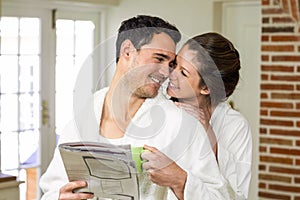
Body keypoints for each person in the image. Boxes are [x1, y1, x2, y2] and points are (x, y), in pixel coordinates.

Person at [39, 16, 230, 200]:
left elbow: (219, 197)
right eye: (159, 58)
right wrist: (59, 196)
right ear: (128, 51)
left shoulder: (182, 125)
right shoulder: (83, 118)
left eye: (170, 64)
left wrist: (180, 180)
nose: (167, 72)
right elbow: (53, 187)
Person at [142, 32, 252, 199]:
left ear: (206, 88)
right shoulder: (157, 101)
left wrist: (208, 134)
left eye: (184, 73)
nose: (170, 73)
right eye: (175, 64)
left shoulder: (234, 125)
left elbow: (238, 195)